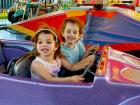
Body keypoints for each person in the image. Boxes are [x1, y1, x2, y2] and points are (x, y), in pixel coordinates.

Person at [30, 28, 94, 83]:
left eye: (48, 42)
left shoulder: (57, 57)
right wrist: (70, 79)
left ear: (56, 46)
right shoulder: (36, 64)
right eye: (40, 42)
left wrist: (86, 61)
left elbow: (71, 67)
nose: (44, 45)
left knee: (87, 78)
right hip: (41, 90)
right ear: (36, 46)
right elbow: (50, 79)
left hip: (54, 85)